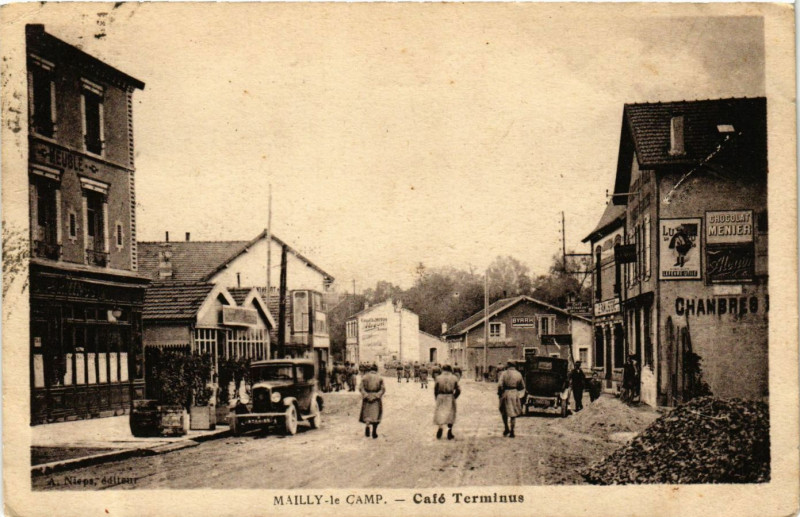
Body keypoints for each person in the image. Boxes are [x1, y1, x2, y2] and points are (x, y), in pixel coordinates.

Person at [497, 360, 526, 438]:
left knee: (504, 412)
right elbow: (522, 386)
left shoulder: (504, 373)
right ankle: (512, 431)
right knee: (513, 413)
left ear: (508, 365)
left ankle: (506, 428)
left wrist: (499, 393)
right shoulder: (518, 374)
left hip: (505, 393)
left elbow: (500, 385)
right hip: (514, 394)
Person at [433, 364, 461, 440]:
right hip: (450, 396)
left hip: (440, 396)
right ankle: (449, 431)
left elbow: (435, 389)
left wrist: (436, 397)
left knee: (440, 413)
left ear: (442, 369)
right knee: (450, 414)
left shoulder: (438, 378)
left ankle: (440, 428)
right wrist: (454, 397)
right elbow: (458, 390)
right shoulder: (454, 377)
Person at [359, 364, 385, 439]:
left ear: (370, 369)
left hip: (367, 398)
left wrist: (366, 395)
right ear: (376, 369)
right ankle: (374, 431)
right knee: (376, 415)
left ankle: (367, 426)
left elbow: (361, 388)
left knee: (367, 414)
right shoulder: (380, 378)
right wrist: (377, 395)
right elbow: (383, 389)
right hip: (376, 399)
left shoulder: (365, 377)